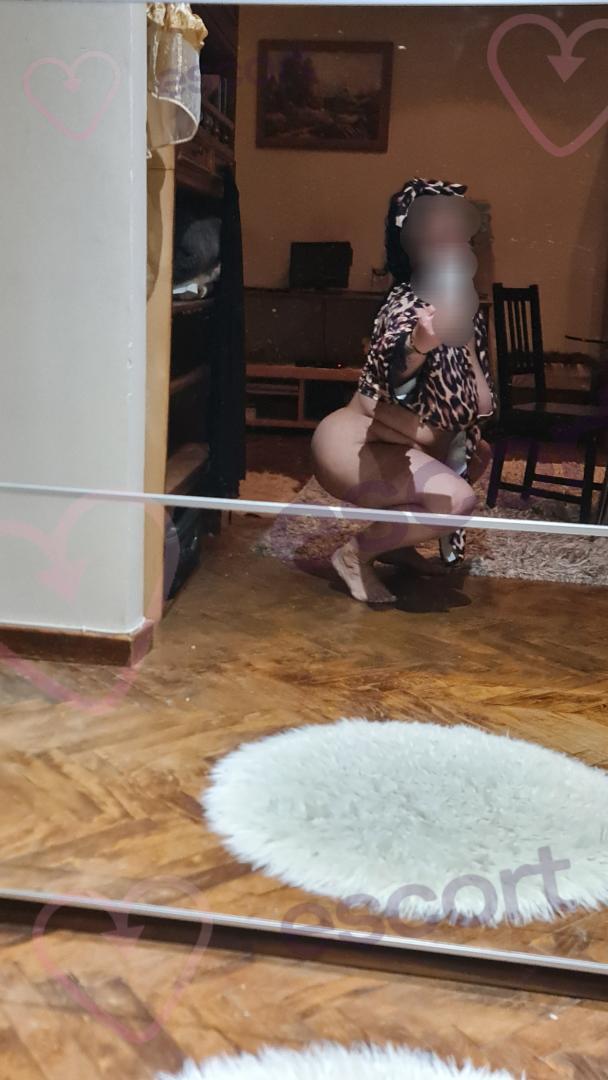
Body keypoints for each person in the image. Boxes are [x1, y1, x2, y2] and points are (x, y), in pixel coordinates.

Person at [310, 177, 496, 605]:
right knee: (456, 500)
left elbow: (479, 399)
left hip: (406, 446)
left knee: (477, 455)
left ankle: (395, 543)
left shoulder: (463, 310)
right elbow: (395, 362)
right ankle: (354, 555)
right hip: (354, 444)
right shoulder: (407, 302)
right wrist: (419, 343)